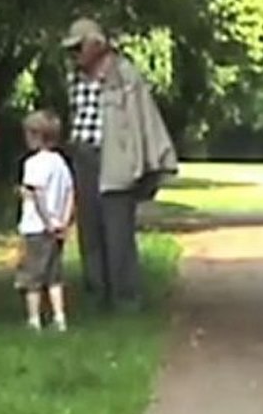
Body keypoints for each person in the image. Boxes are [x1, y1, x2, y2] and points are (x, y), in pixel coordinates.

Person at [63, 18, 178, 310]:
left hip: (116, 159)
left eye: (79, 48)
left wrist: (151, 164)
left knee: (118, 233)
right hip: (84, 156)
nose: (75, 55)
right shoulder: (74, 77)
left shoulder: (125, 75)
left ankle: (126, 298)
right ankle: (96, 296)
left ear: (96, 45)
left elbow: (144, 120)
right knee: (89, 231)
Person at [15, 110, 75, 332]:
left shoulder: (33, 164)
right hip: (57, 228)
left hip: (36, 228)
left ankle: (34, 319)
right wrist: (64, 221)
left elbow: (37, 194)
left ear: (35, 136)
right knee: (54, 276)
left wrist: (47, 220)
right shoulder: (61, 163)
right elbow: (70, 193)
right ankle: (60, 318)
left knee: (32, 277)